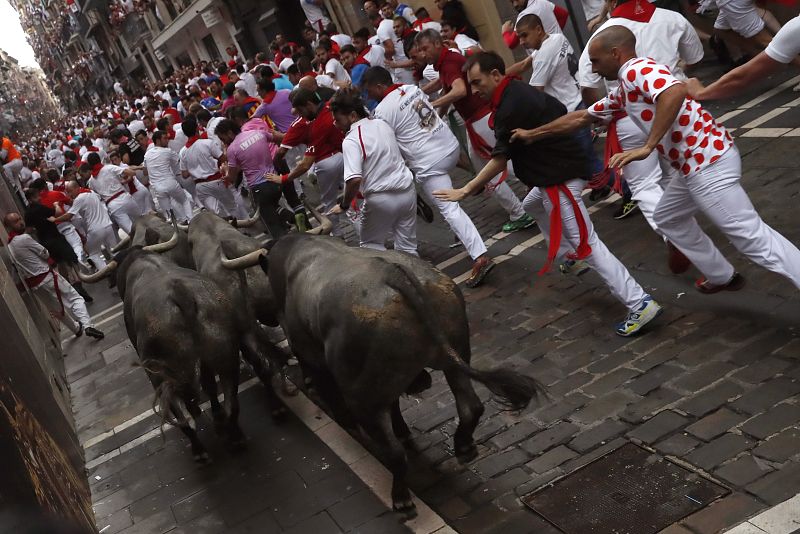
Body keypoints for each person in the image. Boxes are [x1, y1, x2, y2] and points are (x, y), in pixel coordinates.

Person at [516, 26, 800, 293]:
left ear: (616, 54)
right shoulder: (625, 89)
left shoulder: (636, 69)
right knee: (667, 217)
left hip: (706, 164)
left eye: (596, 60)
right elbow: (582, 116)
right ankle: (721, 275)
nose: (592, 68)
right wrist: (534, 134)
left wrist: (648, 146)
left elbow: (674, 91)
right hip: (695, 165)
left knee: (753, 239)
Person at [434, 51, 663, 336]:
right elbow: (556, 111)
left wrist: (466, 189)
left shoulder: (510, 104)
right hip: (555, 176)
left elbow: (500, 158)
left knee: (587, 244)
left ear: (496, 75)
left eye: (478, 82)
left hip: (559, 179)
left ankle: (639, 302)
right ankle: (569, 255)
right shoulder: (516, 92)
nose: (475, 90)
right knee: (533, 206)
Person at [577, 0, 704, 230]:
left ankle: (675, 234)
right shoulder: (672, 18)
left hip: (631, 115)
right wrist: (674, 74)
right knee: (675, 172)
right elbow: (695, 58)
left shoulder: (604, 34)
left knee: (644, 184)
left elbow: (587, 82)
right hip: (677, 109)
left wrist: (603, 115)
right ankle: (684, 227)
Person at [364, 66, 495, 287]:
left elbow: (389, 146)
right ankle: (464, 222)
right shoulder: (411, 89)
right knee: (451, 209)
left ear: (379, 86)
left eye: (370, 91)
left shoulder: (382, 112)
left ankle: (480, 255)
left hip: (430, 164)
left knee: (450, 209)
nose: (369, 97)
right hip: (450, 148)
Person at [416, 29, 535, 233]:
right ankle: (523, 205)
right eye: (420, 50)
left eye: (425, 48)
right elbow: (448, 89)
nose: (422, 54)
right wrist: (439, 114)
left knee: (500, 164)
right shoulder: (447, 61)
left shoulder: (448, 62)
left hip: (481, 119)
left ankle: (530, 197)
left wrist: (432, 103)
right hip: (479, 119)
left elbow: (459, 90)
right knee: (491, 166)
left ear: (437, 44)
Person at [327, 90, 418, 255]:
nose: (335, 123)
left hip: (381, 199)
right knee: (408, 248)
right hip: (407, 192)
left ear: (353, 116)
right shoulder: (382, 123)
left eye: (337, 119)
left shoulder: (351, 139)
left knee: (371, 245)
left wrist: (344, 205)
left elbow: (354, 180)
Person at [4, 212, 104, 339]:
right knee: (75, 299)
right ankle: (88, 325)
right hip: (47, 277)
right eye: (16, 222)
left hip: (36, 286)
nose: (20, 222)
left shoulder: (10, 245)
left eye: (19, 219)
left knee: (56, 310)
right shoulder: (24, 238)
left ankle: (76, 328)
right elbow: (44, 253)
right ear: (9, 227)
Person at [267, 89, 346, 236]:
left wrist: (282, 175)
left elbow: (303, 162)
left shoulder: (307, 124)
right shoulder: (333, 106)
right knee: (355, 197)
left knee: (329, 203)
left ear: (309, 104)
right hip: (345, 157)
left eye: (300, 110)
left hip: (325, 163)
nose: (298, 113)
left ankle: (338, 235)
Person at [687, 15, 800, 100]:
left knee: (764, 41)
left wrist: (701, 92)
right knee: (721, 29)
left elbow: (742, 77)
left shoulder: (796, 27)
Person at [216, 119, 294, 238]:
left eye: (223, 138)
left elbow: (232, 178)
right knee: (272, 208)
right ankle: (291, 216)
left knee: (272, 225)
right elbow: (281, 139)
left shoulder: (232, 149)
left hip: (259, 187)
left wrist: (225, 171)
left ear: (230, 133)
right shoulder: (257, 133)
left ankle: (285, 242)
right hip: (275, 181)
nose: (223, 142)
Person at [179, 117, 239, 218]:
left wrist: (194, 168)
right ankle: (244, 228)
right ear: (196, 129)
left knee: (217, 214)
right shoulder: (207, 143)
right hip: (217, 181)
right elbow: (224, 158)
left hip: (200, 187)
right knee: (232, 207)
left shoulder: (182, 152)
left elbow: (184, 174)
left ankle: (229, 230)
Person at [50, 182, 117, 270]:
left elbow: (69, 215)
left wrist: (55, 219)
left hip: (96, 230)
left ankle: (107, 272)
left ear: (77, 188)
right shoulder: (91, 192)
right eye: (68, 192)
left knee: (93, 254)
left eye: (70, 191)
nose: (69, 194)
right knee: (115, 249)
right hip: (108, 225)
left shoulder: (79, 198)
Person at [84, 152, 141, 235]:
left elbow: (97, 197)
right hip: (125, 197)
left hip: (113, 206)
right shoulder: (109, 168)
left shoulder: (91, 181)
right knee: (142, 222)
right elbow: (132, 173)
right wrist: (126, 181)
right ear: (99, 160)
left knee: (132, 232)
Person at [143, 130, 194, 223]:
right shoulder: (168, 151)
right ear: (158, 141)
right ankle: (190, 221)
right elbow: (180, 161)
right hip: (170, 183)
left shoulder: (147, 154)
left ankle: (179, 223)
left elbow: (145, 172)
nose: (167, 140)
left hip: (157, 188)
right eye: (165, 138)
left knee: (169, 217)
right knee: (185, 201)